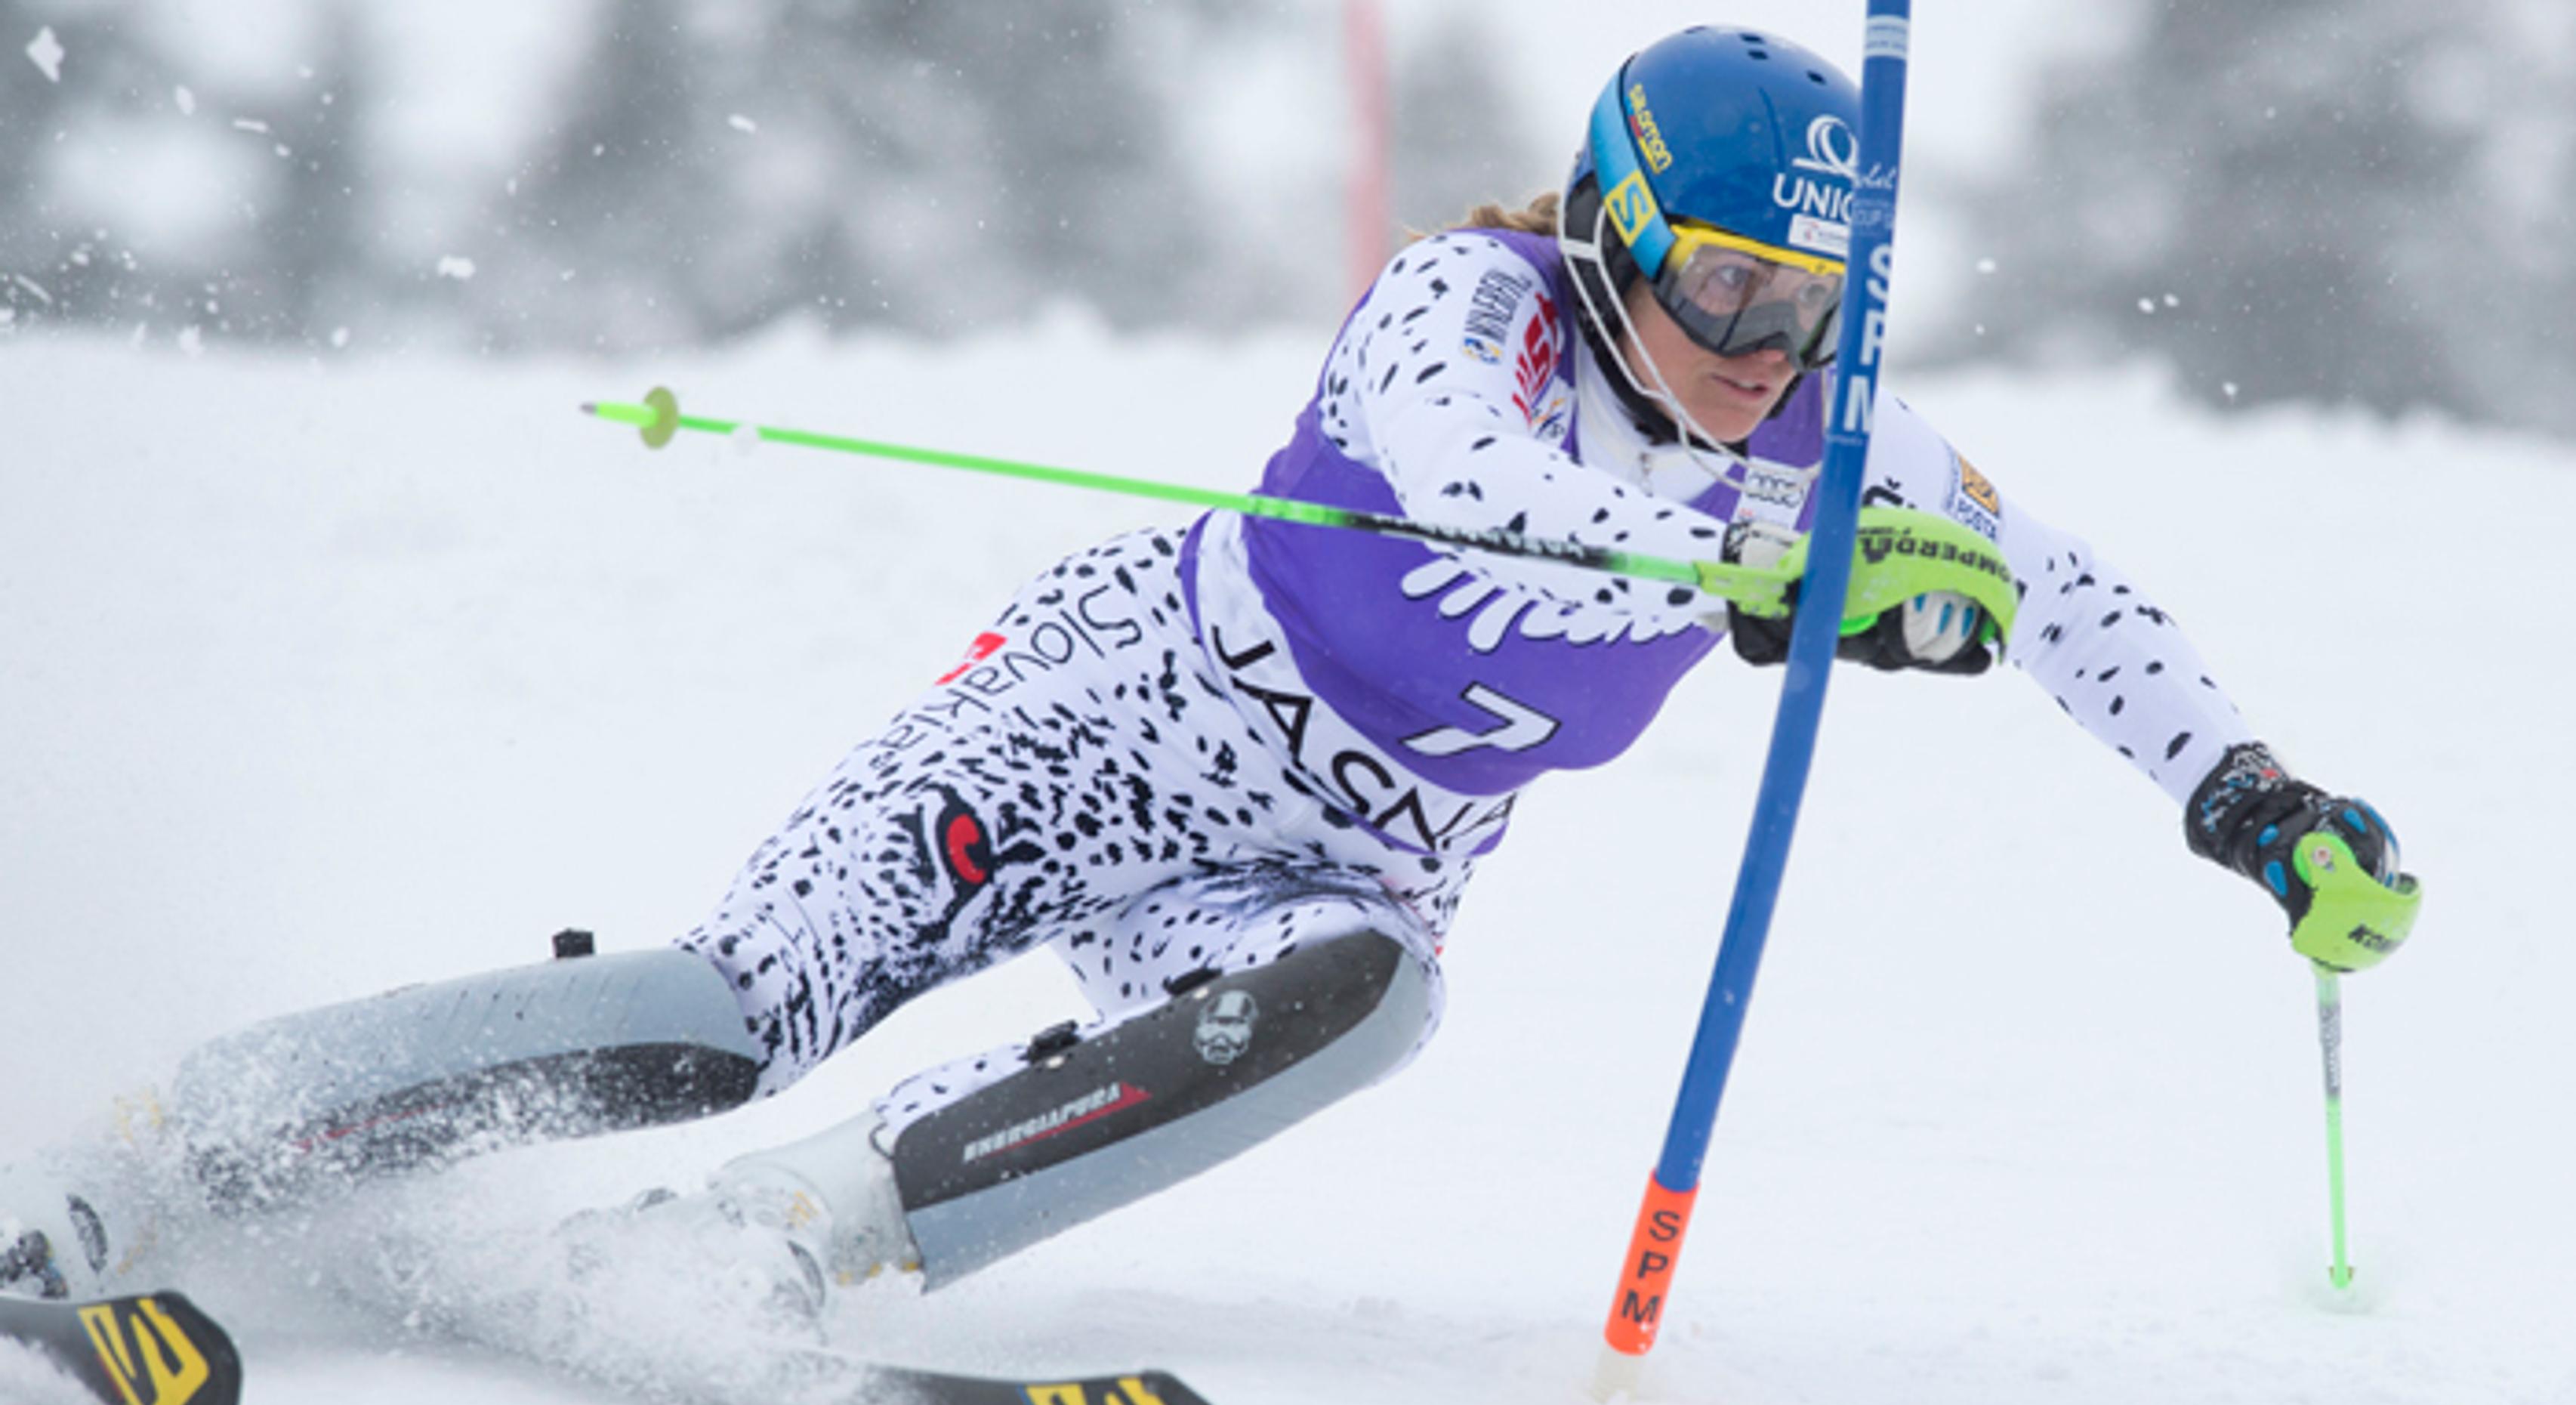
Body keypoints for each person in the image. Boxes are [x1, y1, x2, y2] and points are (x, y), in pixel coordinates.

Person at [0, 26, 2417, 1320]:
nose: (1758, 361)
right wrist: (1769, 577)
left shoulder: (1823, 438)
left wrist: (2258, 805)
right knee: (715, 1015)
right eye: (1720, 299)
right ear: (1611, 231)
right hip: (1103, 722)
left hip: (1340, 853)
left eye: (1808, 319)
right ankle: (171, 1141)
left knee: (1373, 996)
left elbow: (2074, 608)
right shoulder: (1460, 315)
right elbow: (1507, 492)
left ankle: (777, 1250)